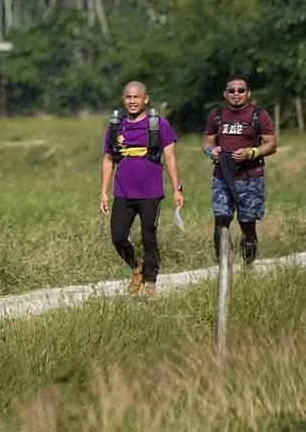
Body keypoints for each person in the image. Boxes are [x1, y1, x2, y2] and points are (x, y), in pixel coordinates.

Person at [99, 81, 184, 298]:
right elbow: (109, 159)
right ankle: (136, 266)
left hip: (151, 192)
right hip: (123, 192)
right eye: (128, 97)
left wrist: (177, 188)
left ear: (145, 99)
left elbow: (170, 157)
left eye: (137, 97)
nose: (132, 101)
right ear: (123, 99)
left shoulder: (159, 124)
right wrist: (103, 192)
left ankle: (150, 281)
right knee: (118, 236)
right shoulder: (115, 126)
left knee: (149, 237)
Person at [202, 74, 277, 266]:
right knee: (221, 220)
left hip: (250, 177)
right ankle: (223, 268)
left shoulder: (258, 115)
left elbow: (271, 145)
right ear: (225, 94)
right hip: (222, 177)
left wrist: (251, 152)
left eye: (241, 90)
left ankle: (247, 266)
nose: (236, 94)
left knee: (247, 225)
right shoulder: (216, 115)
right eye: (231, 91)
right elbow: (207, 143)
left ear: (248, 93)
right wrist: (213, 152)